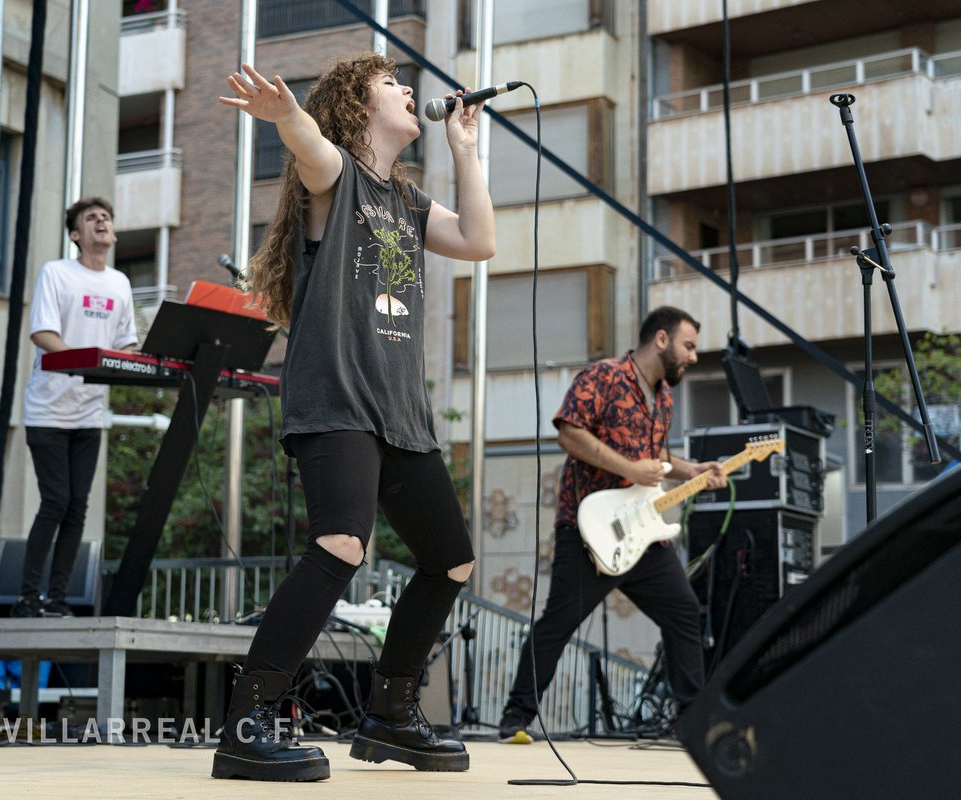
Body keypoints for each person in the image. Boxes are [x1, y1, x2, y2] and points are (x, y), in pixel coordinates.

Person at [212, 55, 495, 782]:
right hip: (338, 400)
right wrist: (285, 117)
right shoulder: (336, 178)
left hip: (400, 412)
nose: (408, 90)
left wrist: (465, 150)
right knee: (341, 542)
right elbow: (309, 143)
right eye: (390, 84)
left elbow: (477, 241)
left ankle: (390, 716)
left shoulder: (405, 201)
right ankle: (248, 722)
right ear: (357, 107)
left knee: (451, 561)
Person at [496, 306, 726, 743]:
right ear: (661, 339)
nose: (694, 356)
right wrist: (630, 468)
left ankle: (693, 723)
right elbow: (569, 433)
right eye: (689, 346)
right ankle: (516, 718)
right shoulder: (602, 375)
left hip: (642, 531)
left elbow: (654, 459)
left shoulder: (664, 397)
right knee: (557, 624)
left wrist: (694, 469)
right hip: (588, 528)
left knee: (682, 614)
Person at [15, 198, 138, 618]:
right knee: (56, 501)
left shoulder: (121, 283)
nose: (102, 221)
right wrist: (85, 364)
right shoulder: (57, 273)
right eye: (91, 218)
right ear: (75, 235)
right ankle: (27, 599)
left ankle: (58, 600)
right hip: (48, 408)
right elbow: (43, 333)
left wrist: (138, 362)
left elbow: (126, 343)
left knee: (77, 506)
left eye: (106, 217)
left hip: (90, 412)